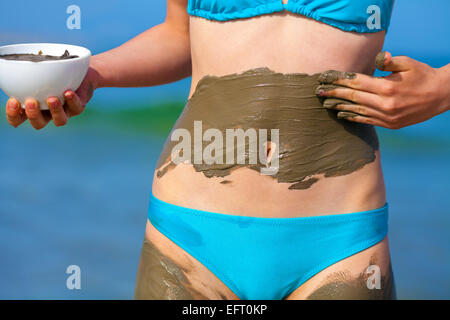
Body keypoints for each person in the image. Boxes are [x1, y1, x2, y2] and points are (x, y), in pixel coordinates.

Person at [5, 0, 449, 300]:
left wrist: (440, 89)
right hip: (189, 243)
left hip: (342, 244)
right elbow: (181, 35)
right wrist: (91, 75)